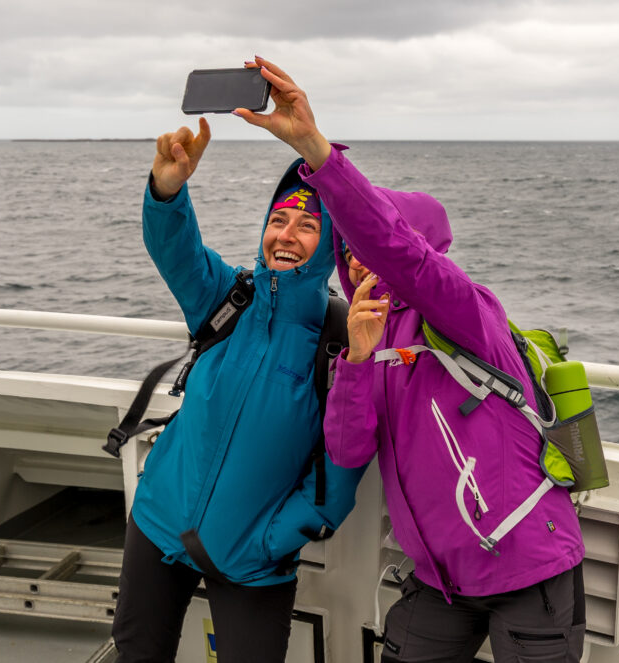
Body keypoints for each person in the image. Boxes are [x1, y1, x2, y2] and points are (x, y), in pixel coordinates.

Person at [234, 59, 587, 662]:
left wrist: (317, 153)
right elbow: (347, 450)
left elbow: (402, 256)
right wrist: (356, 359)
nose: (359, 261)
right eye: (349, 251)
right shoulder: (370, 333)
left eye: (364, 244)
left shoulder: (465, 310)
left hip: (528, 566)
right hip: (441, 580)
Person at [111, 61, 366, 663]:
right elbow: (175, 251)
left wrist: (274, 539)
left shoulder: (336, 338)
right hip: (158, 520)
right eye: (279, 220)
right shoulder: (229, 296)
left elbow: (342, 463)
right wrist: (168, 186)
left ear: (329, 244)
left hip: (255, 560)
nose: (286, 234)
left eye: (308, 225)